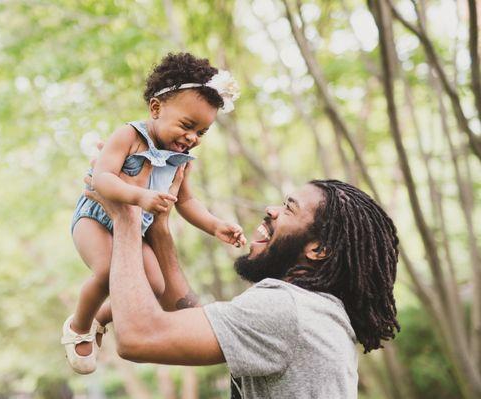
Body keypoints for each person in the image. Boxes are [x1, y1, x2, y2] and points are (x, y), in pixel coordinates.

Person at [84, 158, 400, 399]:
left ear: (319, 249)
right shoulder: (313, 312)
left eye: (289, 209)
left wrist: (126, 217)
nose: (271, 209)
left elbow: (138, 337)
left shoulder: (287, 309)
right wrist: (160, 230)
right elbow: (189, 317)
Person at [62, 52, 246, 374]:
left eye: (201, 132)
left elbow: (186, 203)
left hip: (136, 228)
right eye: (188, 126)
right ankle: (78, 325)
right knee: (108, 271)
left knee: (156, 287)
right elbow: (102, 178)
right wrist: (139, 196)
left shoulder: (181, 159)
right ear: (156, 108)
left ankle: (99, 319)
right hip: (95, 217)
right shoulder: (130, 136)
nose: (192, 138)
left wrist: (215, 225)